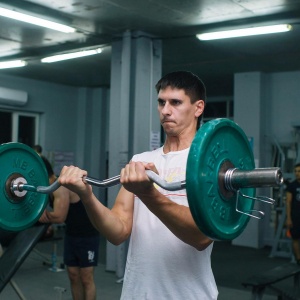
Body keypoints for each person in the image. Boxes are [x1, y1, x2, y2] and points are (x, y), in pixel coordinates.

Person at [58, 71, 218, 299]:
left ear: (198, 108)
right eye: (161, 102)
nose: (165, 110)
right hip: (136, 293)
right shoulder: (140, 161)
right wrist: (86, 196)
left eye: (175, 102)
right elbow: (118, 231)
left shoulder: (208, 166)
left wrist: (148, 194)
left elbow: (201, 238)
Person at [39, 157, 100, 300]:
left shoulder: (59, 186)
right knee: (73, 275)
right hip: (71, 234)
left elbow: (59, 217)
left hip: (88, 235)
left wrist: (42, 215)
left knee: (86, 278)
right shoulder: (48, 187)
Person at [286, 162, 300, 264]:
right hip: (295, 216)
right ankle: (299, 260)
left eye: (299, 171)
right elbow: (288, 202)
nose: (297, 173)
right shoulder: (292, 185)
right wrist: (289, 218)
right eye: (295, 171)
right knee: (295, 238)